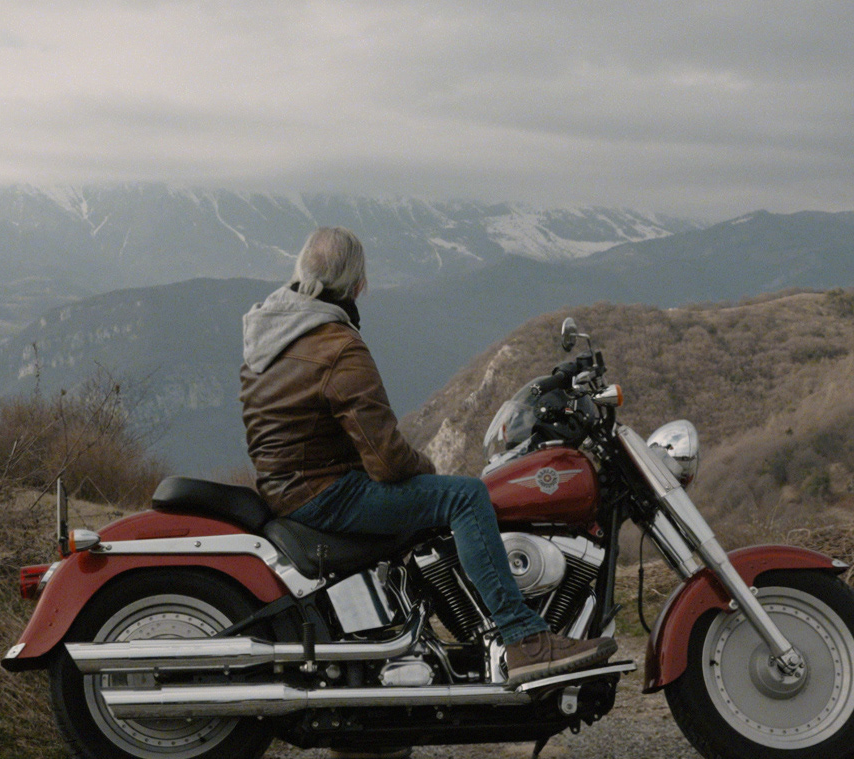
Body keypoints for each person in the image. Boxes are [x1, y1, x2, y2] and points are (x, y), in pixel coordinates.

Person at [239, 227, 618, 726]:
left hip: (289, 488)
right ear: (358, 283)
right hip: (325, 493)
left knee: (439, 498)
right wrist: (428, 469)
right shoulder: (336, 345)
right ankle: (524, 638)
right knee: (464, 497)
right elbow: (387, 461)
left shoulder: (271, 330)